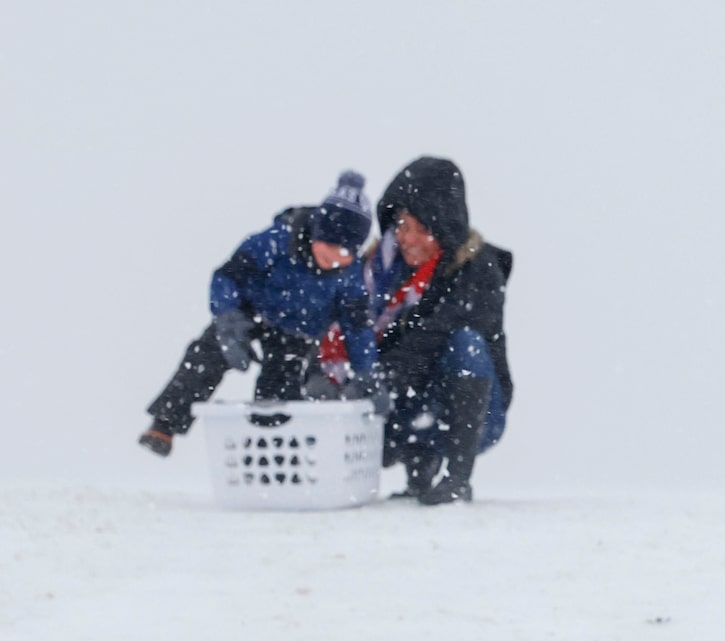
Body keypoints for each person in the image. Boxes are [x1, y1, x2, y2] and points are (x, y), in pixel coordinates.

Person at [139, 172, 378, 457]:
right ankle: (165, 423)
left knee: (279, 397)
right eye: (329, 247)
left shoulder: (350, 277)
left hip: (296, 333)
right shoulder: (274, 241)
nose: (335, 259)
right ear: (315, 234)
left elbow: (357, 326)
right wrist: (228, 320)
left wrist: (366, 373)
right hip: (250, 313)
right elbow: (225, 278)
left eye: (346, 253)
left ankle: (271, 459)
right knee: (208, 353)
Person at [367, 156, 514, 504]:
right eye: (402, 226)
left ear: (445, 229)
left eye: (422, 229)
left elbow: (431, 338)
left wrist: (380, 380)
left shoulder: (478, 271)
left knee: (466, 345)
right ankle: (419, 472)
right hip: (406, 399)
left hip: (475, 414)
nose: (408, 238)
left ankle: (457, 477)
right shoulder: (378, 272)